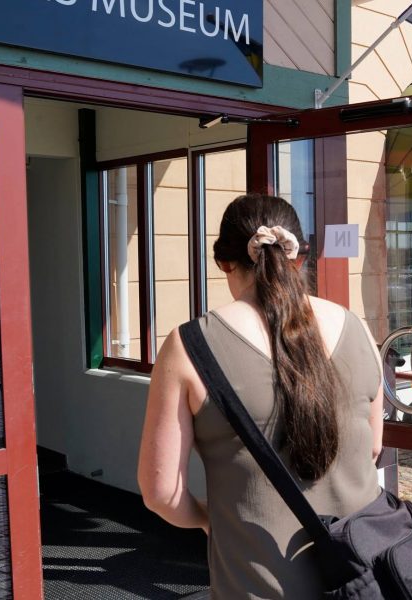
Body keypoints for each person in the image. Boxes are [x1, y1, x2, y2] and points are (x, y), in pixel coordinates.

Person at [138, 194, 385, 599]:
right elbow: (373, 447)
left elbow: (161, 491)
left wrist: (207, 519)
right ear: (300, 257)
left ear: (224, 262)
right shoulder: (356, 327)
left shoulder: (188, 346)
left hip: (255, 586)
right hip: (361, 581)